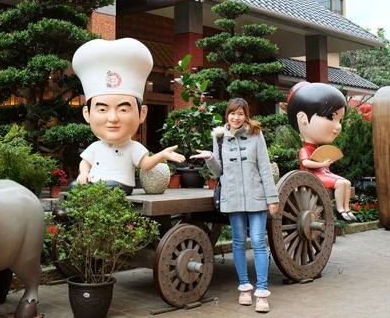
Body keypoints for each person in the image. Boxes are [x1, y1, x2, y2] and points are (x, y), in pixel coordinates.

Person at [191, 97, 279, 313]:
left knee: (258, 241)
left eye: (240, 113)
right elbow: (218, 172)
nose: (236, 117)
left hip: (256, 196)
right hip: (233, 197)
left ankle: (262, 293)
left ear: (246, 115)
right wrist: (210, 157)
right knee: (238, 242)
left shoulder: (256, 135)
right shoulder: (220, 138)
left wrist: (272, 197)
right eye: (232, 113)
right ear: (227, 115)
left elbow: (265, 168)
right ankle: (244, 289)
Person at [70, 38, 185, 195]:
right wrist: (83, 174)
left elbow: (145, 164)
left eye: (123, 110)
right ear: (87, 114)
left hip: (119, 185)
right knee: (73, 187)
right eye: (102, 110)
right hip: (94, 182)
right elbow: (85, 162)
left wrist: (162, 154)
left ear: (142, 114)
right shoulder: (95, 147)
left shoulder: (133, 147)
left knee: (106, 189)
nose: (113, 118)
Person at [286, 81, 357, 222]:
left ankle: (346, 208)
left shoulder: (317, 149)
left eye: (340, 120)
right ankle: (340, 209)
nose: (338, 126)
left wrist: (324, 165)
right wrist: (322, 164)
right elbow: (305, 162)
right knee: (340, 183)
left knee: (346, 183)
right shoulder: (305, 149)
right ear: (302, 118)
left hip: (321, 174)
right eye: (331, 117)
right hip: (311, 176)